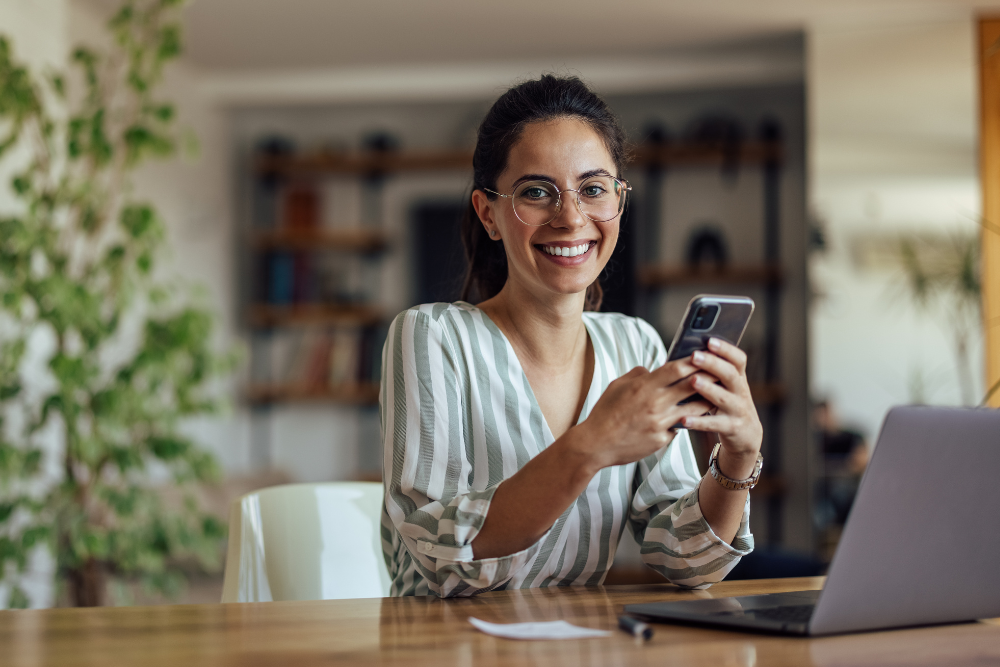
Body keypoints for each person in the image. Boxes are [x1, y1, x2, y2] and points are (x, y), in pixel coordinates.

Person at [380, 75, 763, 598]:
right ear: (488, 213)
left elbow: (686, 559)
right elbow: (439, 557)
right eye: (537, 192)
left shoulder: (636, 347)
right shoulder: (431, 336)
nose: (571, 217)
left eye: (593, 188)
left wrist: (736, 460)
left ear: (618, 204)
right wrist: (590, 446)